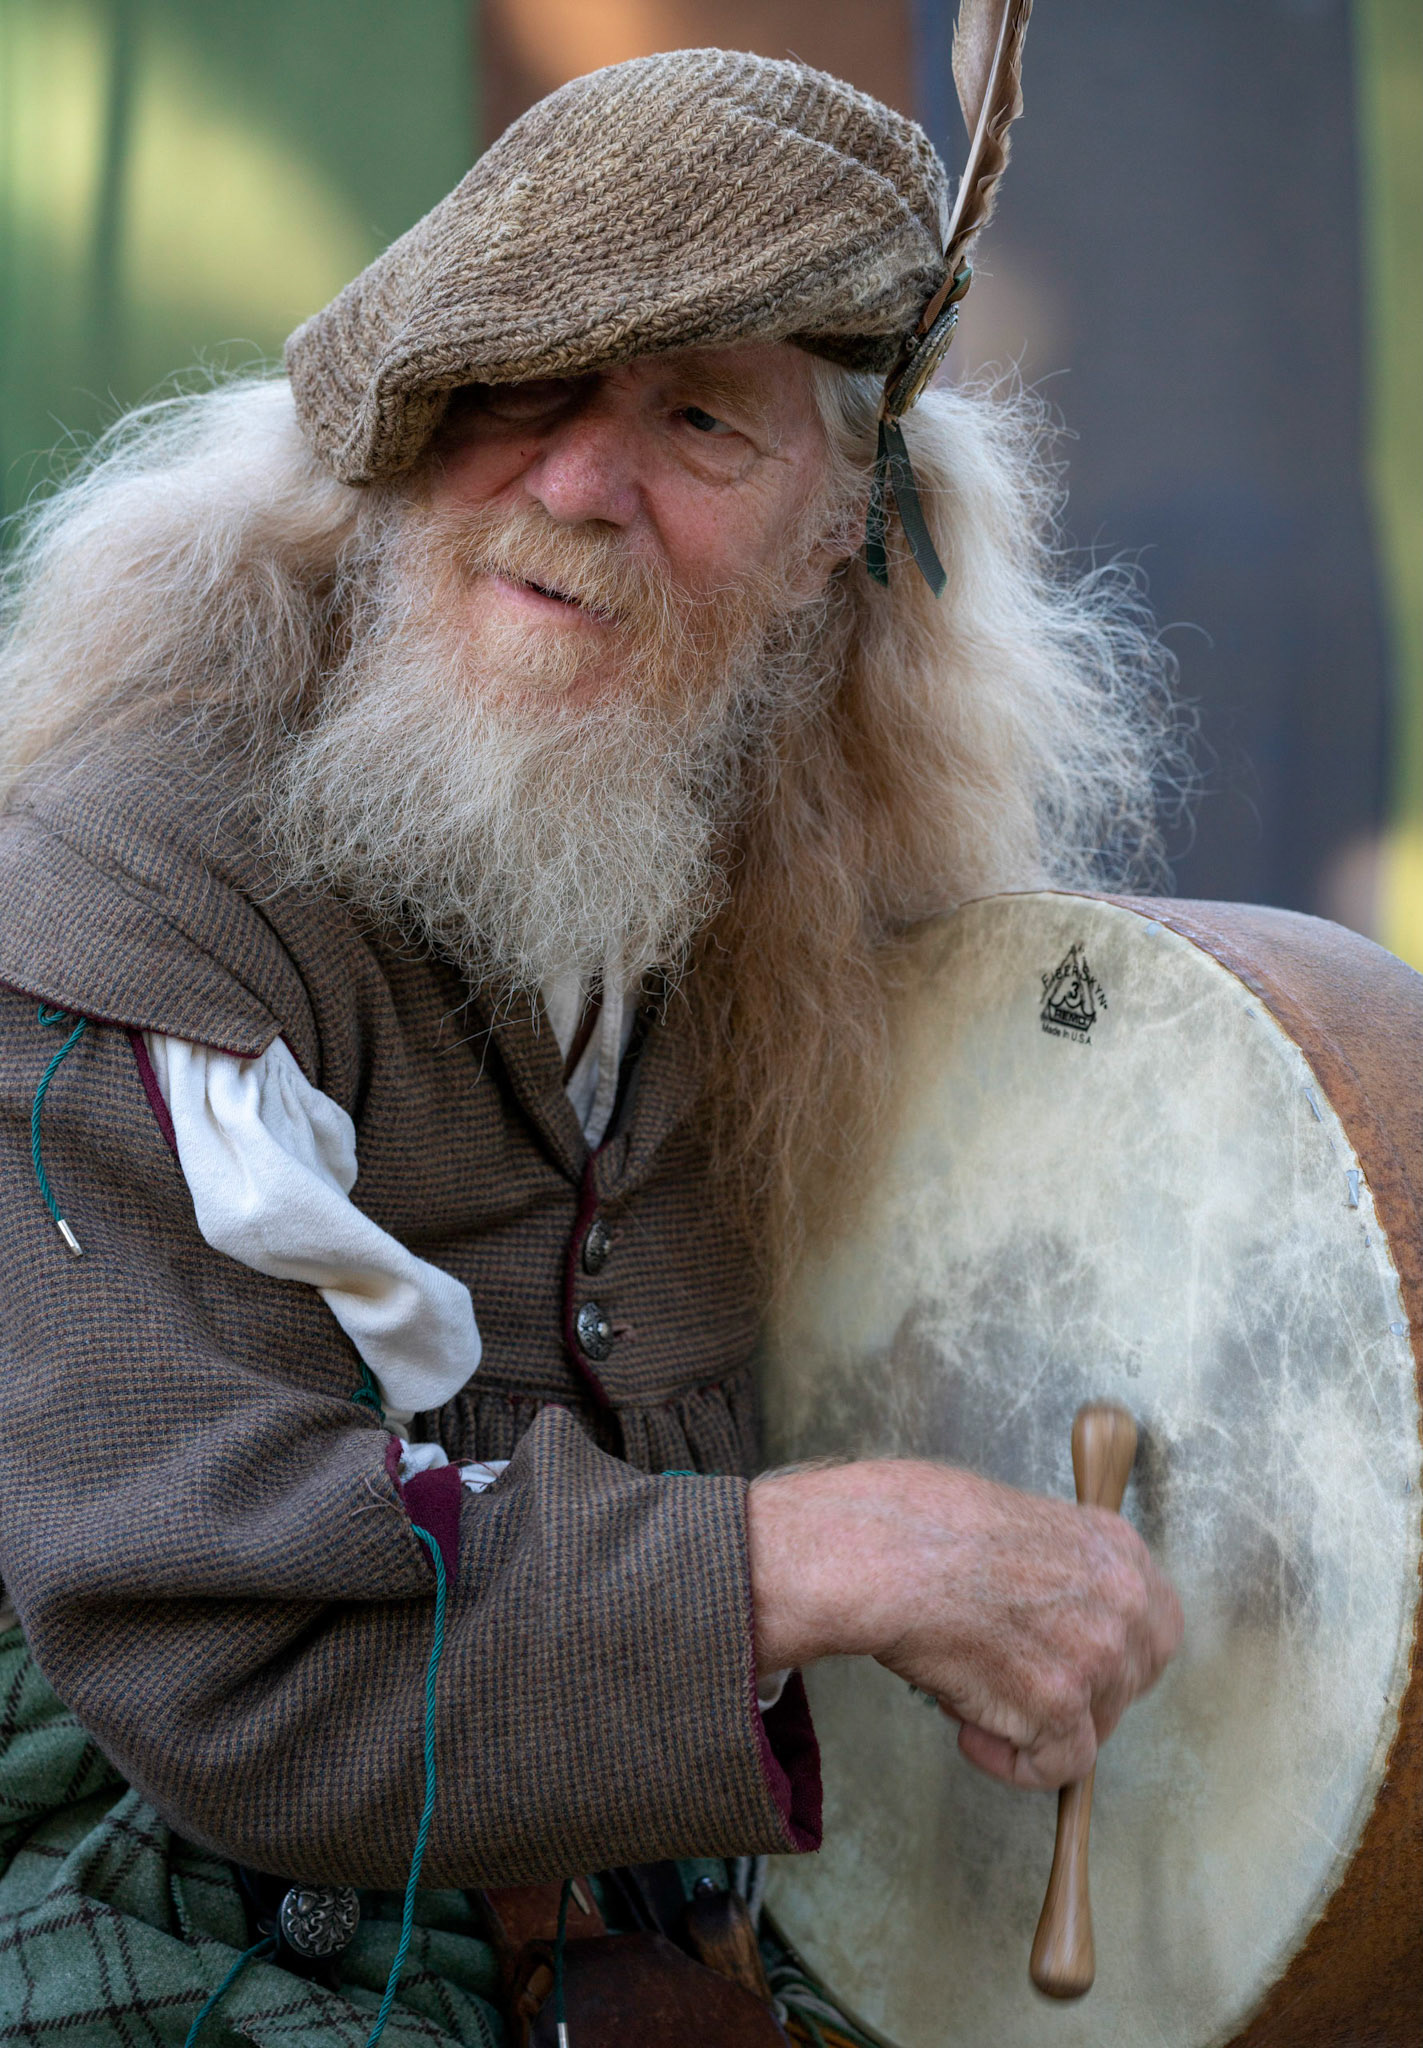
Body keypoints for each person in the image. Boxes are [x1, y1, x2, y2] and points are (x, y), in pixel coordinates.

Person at [0, 48, 1182, 2043]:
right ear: (397, 427)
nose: (573, 486)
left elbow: (1073, 1120)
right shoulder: (138, 892)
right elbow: (236, 1663)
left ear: (840, 528)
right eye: (518, 383)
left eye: (700, 419)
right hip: (172, 1900)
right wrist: (830, 1556)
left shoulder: (819, 880)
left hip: (680, 1919)